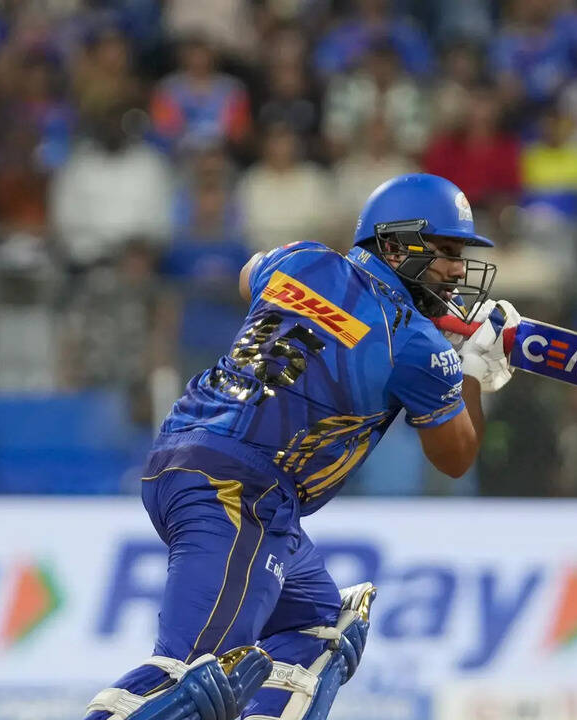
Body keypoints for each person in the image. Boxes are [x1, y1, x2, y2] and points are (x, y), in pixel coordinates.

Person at [84, 173, 519, 720]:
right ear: (393, 245)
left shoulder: (301, 260)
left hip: (186, 458)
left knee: (320, 632)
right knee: (193, 680)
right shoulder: (415, 344)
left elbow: (249, 275)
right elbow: (455, 459)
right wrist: (470, 369)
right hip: (238, 492)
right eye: (446, 252)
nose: (458, 269)